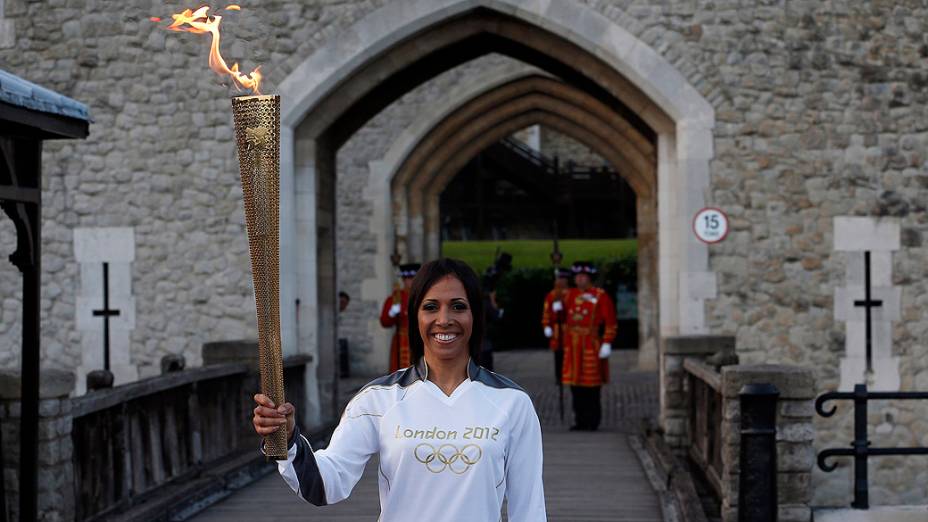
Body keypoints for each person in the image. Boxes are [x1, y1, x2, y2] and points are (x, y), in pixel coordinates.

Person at [252, 258, 546, 521]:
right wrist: (287, 438)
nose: (444, 319)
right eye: (430, 307)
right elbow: (325, 485)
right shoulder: (379, 399)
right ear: (415, 316)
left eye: (458, 306)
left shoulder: (511, 403)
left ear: (475, 316)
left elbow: (529, 508)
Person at [561, 261, 617, 431]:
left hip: (590, 345)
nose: (580, 280)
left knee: (591, 385)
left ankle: (592, 420)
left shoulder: (600, 296)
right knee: (575, 385)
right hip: (573, 345)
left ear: (589, 278)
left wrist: (607, 342)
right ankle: (579, 420)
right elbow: (561, 316)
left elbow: (610, 322)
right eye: (577, 277)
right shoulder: (569, 295)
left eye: (583, 277)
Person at [380, 263, 419, 373]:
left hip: (420, 337)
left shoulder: (424, 296)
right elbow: (384, 322)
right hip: (401, 339)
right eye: (407, 278)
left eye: (413, 278)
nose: (410, 281)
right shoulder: (396, 297)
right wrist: (392, 313)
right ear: (403, 279)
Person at [541, 267, 572, 385]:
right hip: (557, 330)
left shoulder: (571, 293)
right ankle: (559, 377)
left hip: (569, 329)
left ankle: (568, 375)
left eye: (563, 279)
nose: (561, 281)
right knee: (558, 355)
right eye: (559, 278)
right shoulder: (552, 295)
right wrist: (546, 325)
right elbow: (546, 312)